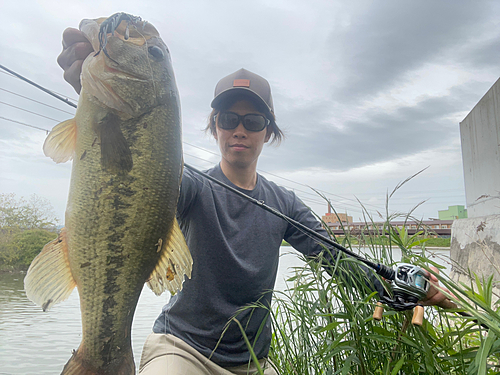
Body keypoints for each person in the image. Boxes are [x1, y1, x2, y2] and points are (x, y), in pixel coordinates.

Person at [58, 27, 453, 375]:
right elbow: (141, 177)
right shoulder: (192, 187)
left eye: (254, 121)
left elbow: (336, 259)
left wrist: (397, 286)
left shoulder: (285, 204)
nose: (239, 130)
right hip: (180, 350)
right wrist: (101, 96)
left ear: (269, 132)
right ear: (214, 128)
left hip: (254, 361)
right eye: (228, 119)